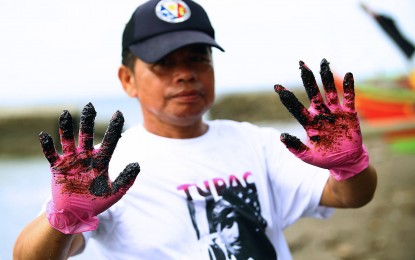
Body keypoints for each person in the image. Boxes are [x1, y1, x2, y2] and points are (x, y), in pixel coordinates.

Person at [13, 0, 377, 259]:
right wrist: (64, 220)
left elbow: (350, 196)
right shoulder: (103, 171)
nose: (185, 73)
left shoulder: (258, 143)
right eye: (164, 63)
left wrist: (350, 164)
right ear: (127, 80)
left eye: (197, 58)